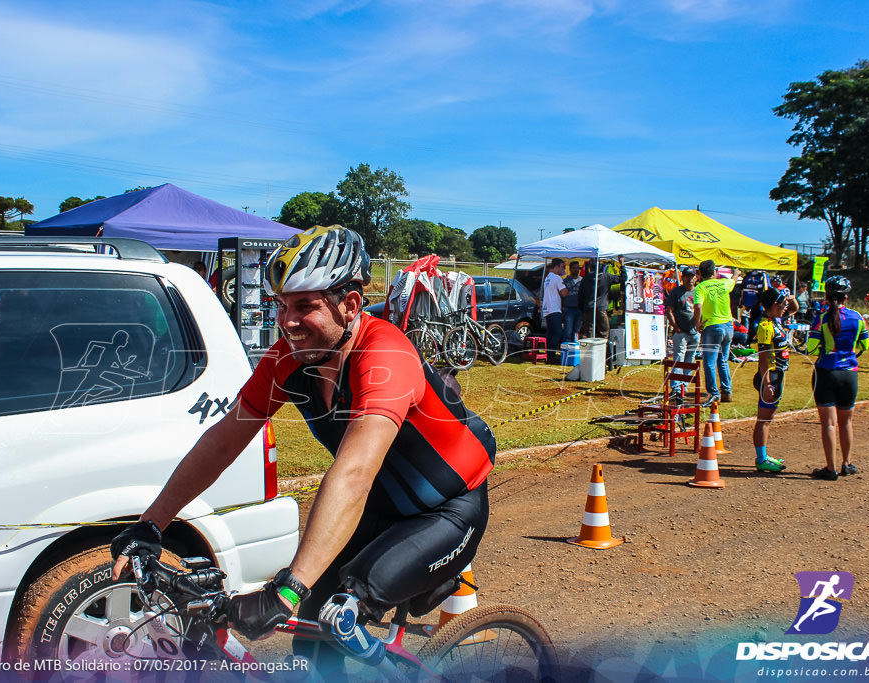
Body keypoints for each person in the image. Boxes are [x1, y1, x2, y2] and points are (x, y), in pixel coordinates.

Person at [110, 226, 496, 676]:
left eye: (304, 305)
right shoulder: (290, 359)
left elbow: (353, 473)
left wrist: (288, 588)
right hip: (377, 508)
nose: (287, 322)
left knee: (338, 613)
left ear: (350, 306)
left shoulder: (386, 355)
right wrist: (151, 523)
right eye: (281, 305)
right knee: (309, 639)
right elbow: (222, 441)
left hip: (445, 510)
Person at [807, 276, 868, 480]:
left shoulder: (822, 318)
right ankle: (847, 464)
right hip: (849, 373)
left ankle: (830, 468)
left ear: (826, 297)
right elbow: (864, 346)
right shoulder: (858, 317)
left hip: (826, 371)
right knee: (846, 422)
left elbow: (811, 348)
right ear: (847, 297)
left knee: (828, 424)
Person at [752, 287, 798, 473]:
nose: (785, 306)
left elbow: (794, 308)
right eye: (781, 303)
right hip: (769, 377)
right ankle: (761, 459)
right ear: (773, 305)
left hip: (778, 375)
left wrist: (789, 297)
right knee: (763, 419)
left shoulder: (777, 320)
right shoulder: (765, 326)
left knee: (767, 419)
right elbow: (763, 358)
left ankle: (763, 456)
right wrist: (767, 384)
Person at [693, 260, 741, 406]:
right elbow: (733, 280)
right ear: (714, 272)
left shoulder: (700, 288)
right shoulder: (723, 283)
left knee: (709, 362)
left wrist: (697, 323)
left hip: (713, 327)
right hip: (728, 326)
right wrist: (736, 273)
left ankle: (714, 393)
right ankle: (727, 391)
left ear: (700, 273)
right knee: (723, 360)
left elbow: (698, 306)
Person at [665, 267, 699, 401]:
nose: (690, 279)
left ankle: (685, 385)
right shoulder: (677, 291)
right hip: (680, 332)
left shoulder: (698, 292)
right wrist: (675, 327)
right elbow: (669, 311)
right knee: (678, 358)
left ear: (696, 278)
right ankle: (676, 387)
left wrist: (700, 327)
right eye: (687, 276)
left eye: (692, 276)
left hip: (694, 332)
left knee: (690, 359)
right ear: (683, 277)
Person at [578, 255, 626, 339]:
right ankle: (603, 351)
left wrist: (582, 310)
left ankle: (591, 351)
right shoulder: (606, 277)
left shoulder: (585, 279)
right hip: (601, 308)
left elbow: (580, 296)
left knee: (590, 333)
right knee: (604, 333)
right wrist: (622, 264)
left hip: (589, 309)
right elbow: (623, 278)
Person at [541, 258, 568, 363]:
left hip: (547, 309)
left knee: (550, 332)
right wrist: (564, 280)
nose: (563, 269)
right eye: (562, 267)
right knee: (558, 332)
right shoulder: (557, 278)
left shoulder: (547, 278)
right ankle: (551, 355)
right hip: (554, 308)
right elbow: (564, 293)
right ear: (557, 266)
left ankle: (549, 354)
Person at [561, 260, 582, 344]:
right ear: (570, 269)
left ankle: (574, 351)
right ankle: (566, 350)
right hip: (568, 309)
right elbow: (562, 296)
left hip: (579, 309)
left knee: (576, 332)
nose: (576, 270)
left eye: (577, 268)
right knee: (568, 332)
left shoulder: (582, 280)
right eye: (574, 268)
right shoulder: (565, 281)